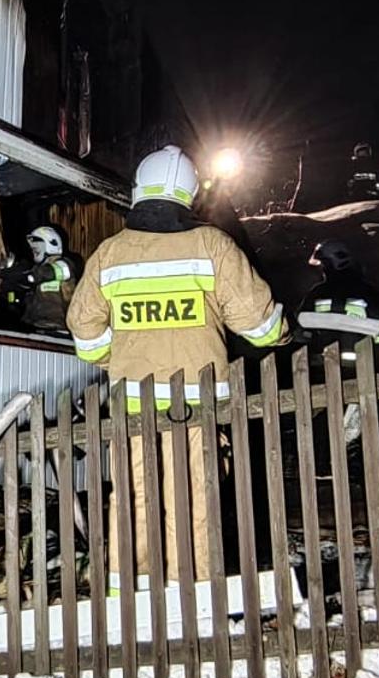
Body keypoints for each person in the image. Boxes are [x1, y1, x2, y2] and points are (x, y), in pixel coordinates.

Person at [66, 144, 289, 580]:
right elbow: (259, 326)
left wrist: (125, 354)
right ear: (189, 193)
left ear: (138, 190)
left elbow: (85, 335)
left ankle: (128, 605)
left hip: (133, 411)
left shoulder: (110, 254)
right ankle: (194, 603)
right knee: (194, 506)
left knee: (133, 504)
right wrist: (283, 333)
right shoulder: (212, 246)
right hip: (198, 411)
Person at [0, 225, 80, 334]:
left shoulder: (65, 265)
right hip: (35, 329)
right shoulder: (35, 271)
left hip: (59, 332)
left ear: (50, 244)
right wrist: (11, 292)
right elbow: (24, 302)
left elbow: (47, 273)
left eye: (37, 246)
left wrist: (27, 277)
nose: (34, 250)